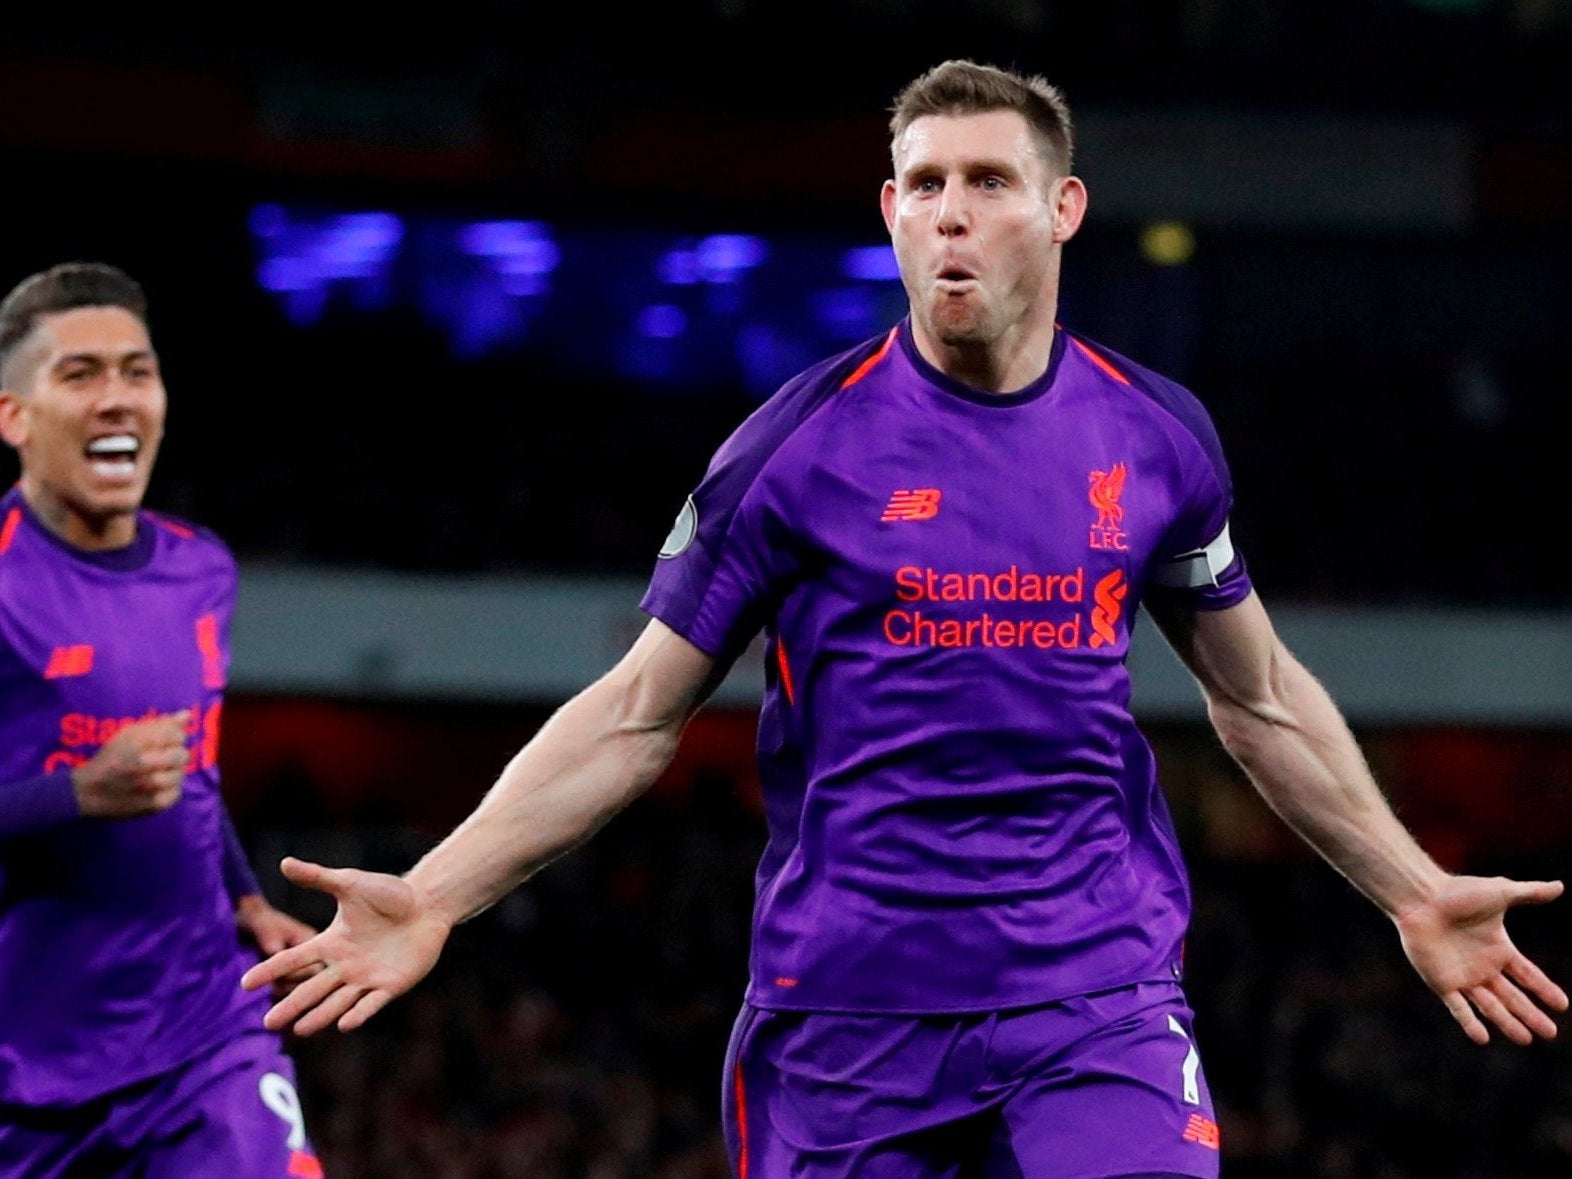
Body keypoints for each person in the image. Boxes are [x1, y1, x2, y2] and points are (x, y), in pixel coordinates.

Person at [243, 60, 1568, 1178]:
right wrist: (435, 893)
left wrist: (1410, 885)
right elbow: (637, 710)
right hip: (846, 1018)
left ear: (1063, 208)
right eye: (924, 184)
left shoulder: (1156, 435)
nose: (952, 214)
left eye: (988, 183)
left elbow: (1259, 693)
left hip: (1092, 993)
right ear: (888, 211)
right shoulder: (795, 451)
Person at [0, 261, 325, 1177]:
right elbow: (107, 785)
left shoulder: (201, 569)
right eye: (80, 374)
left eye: (136, 371)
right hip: (28, 1071)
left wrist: (246, 897)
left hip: (202, 1037)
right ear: (13, 417)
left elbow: (193, 772)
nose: (117, 398)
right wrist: (75, 793)